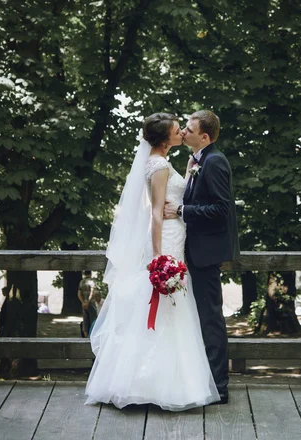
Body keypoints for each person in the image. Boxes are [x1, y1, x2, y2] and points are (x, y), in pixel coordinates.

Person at [85, 113, 219, 410]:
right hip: (165, 239)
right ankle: (148, 383)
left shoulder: (166, 163)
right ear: (163, 139)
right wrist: (159, 256)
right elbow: (156, 212)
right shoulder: (158, 166)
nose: (182, 132)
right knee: (163, 304)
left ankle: (167, 381)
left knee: (174, 307)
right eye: (176, 130)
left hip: (176, 236)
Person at [164, 110, 239, 404]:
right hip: (192, 249)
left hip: (206, 254)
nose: (184, 131)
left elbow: (222, 209)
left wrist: (182, 211)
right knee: (197, 317)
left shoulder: (215, 161)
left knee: (211, 319)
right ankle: (203, 380)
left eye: (189, 129)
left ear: (204, 137)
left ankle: (219, 387)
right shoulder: (196, 161)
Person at [78, 271, 97, 338]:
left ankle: (86, 338)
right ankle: (92, 337)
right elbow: (92, 293)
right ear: (90, 274)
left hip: (84, 305)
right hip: (91, 303)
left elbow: (79, 294)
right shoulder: (92, 282)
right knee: (93, 321)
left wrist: (83, 302)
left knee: (85, 321)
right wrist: (88, 302)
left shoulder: (82, 282)